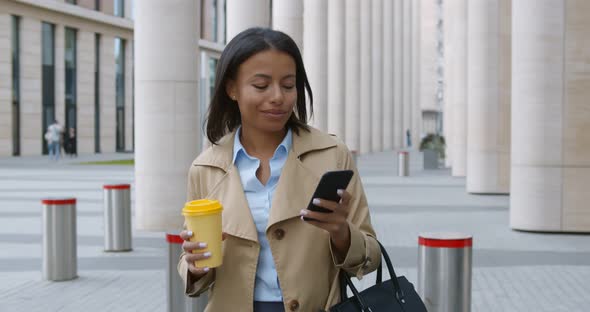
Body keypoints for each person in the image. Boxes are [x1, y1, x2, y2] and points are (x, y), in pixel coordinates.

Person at [178, 28, 381, 312]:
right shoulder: (206, 168)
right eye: (261, 86)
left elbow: (371, 256)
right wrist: (194, 265)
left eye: (288, 85)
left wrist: (341, 233)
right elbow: (195, 269)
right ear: (231, 88)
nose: (278, 97)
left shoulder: (332, 155)